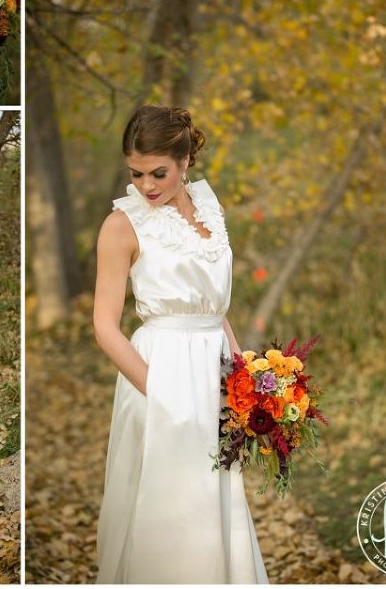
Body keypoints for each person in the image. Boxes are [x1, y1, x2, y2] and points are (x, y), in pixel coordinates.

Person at [93, 105, 269, 583]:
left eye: (158, 172)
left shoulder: (209, 208)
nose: (147, 185)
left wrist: (244, 379)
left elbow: (215, 309)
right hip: (160, 372)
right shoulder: (122, 225)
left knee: (215, 492)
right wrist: (164, 391)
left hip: (214, 369)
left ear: (186, 159)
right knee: (168, 504)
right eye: (136, 173)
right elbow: (105, 326)